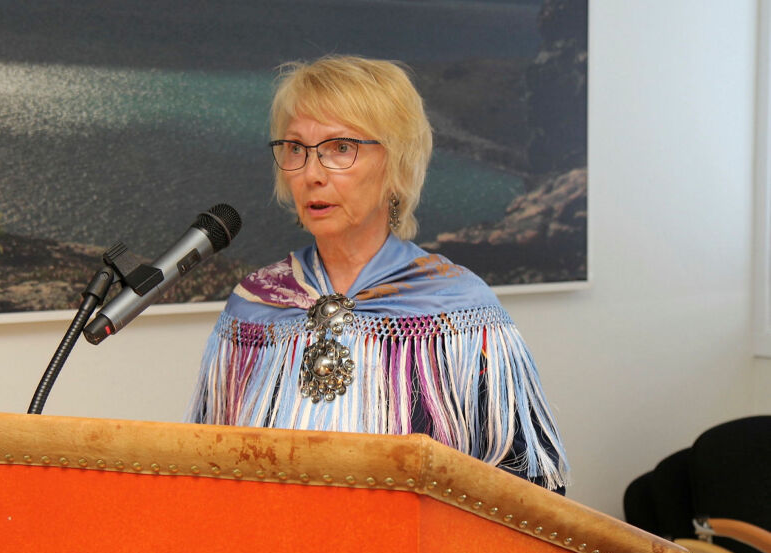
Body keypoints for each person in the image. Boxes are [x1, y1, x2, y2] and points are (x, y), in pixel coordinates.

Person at [186, 55, 568, 492]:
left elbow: (534, 492)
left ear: (397, 165)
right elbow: (209, 475)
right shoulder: (254, 307)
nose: (311, 174)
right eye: (295, 148)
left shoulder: (459, 314)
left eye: (340, 148)